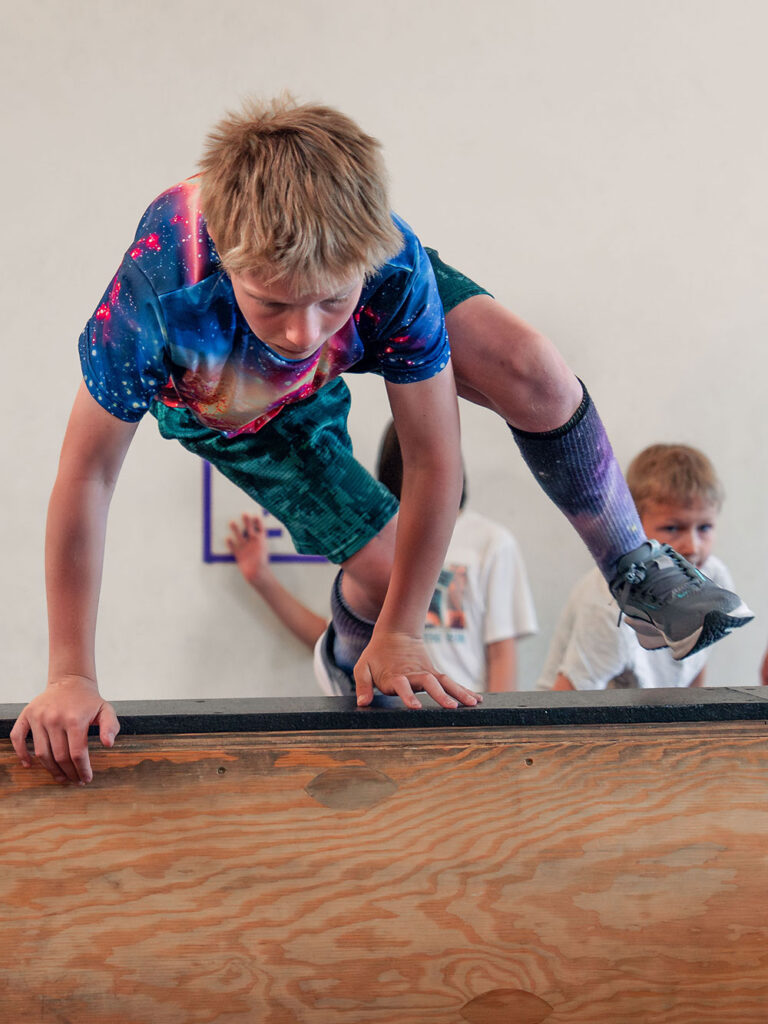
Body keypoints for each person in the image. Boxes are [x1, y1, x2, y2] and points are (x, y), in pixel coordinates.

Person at [11, 97, 751, 786]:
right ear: (233, 261)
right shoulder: (158, 291)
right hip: (235, 398)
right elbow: (87, 477)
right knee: (388, 566)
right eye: (276, 303)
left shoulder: (390, 265)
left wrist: (406, 630)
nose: (305, 333)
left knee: (537, 372)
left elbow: (432, 455)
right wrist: (72, 671)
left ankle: (632, 568)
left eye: (328, 301)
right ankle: (351, 654)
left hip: (363, 304)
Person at [227, 423, 537, 692]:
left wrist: (496, 735)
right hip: (385, 719)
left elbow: (501, 652)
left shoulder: (490, 542)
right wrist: (261, 578)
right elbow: (340, 642)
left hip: (460, 722)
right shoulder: (372, 543)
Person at [537, 445, 740, 691]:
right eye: (673, 528)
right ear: (630, 524)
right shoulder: (608, 606)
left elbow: (695, 664)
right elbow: (566, 699)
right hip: (582, 717)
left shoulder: (713, 576)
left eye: (705, 528)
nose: (692, 546)